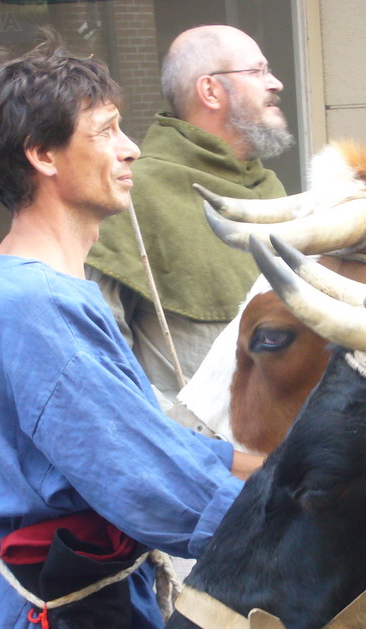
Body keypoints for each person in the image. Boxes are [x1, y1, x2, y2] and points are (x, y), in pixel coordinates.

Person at [0, 33, 263, 629]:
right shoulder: (30, 305)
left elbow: (149, 440)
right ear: (42, 155)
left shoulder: (51, 291)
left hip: (89, 614)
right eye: (106, 130)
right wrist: (301, 515)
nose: (131, 150)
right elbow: (146, 479)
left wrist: (261, 463)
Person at [86, 25, 292, 404]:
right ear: (210, 90)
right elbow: (101, 363)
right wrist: (187, 445)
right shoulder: (134, 192)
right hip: (189, 450)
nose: (275, 83)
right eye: (257, 71)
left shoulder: (271, 191)